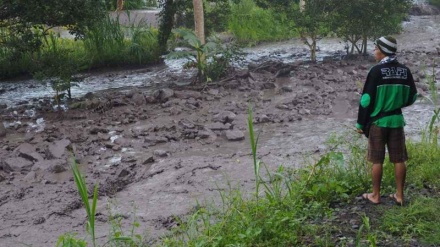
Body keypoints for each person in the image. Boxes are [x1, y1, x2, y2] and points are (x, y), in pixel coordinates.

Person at [356, 36, 418, 205]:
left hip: (378, 122)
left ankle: (375, 195)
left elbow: (366, 100)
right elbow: (413, 96)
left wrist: (360, 123)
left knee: (377, 160)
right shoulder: (405, 70)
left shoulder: (375, 71)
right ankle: (399, 195)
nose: (374, 51)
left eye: (376, 48)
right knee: (399, 159)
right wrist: (397, 102)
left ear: (382, 51)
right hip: (397, 120)